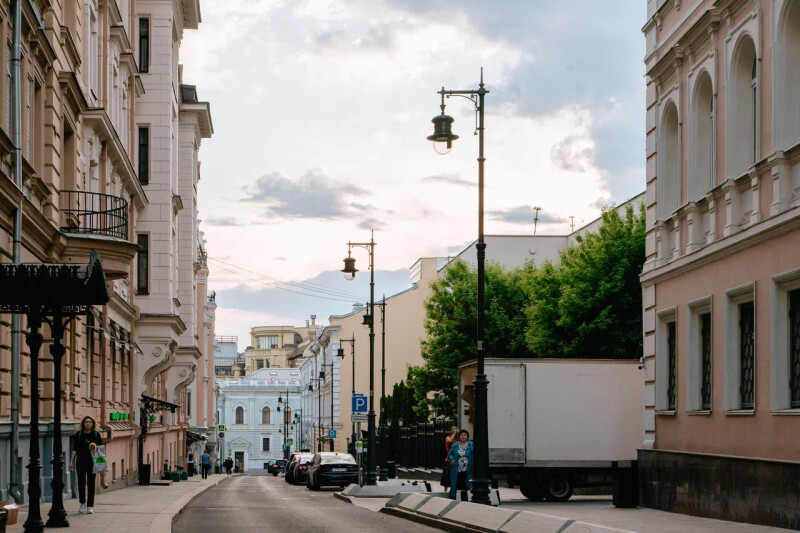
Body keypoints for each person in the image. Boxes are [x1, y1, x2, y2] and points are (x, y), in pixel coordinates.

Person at [69, 416, 104, 514]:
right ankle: (82, 503)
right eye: (86, 422)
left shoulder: (96, 435)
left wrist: (101, 466)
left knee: (91, 484)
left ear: (93, 424)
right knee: (81, 483)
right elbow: (74, 448)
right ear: (83, 423)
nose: (87, 423)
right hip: (80, 462)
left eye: (89, 422)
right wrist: (71, 461)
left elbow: (100, 450)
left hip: (92, 463)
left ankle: (90, 506)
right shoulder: (79, 434)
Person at [447, 429, 474, 499]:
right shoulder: (455, 445)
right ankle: (455, 496)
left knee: (467, 482)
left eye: (465, 435)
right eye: (461, 435)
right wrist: (452, 459)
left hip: (468, 468)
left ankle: (467, 497)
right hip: (457, 468)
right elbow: (450, 454)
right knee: (456, 482)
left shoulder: (471, 445)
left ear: (467, 437)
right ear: (459, 436)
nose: (463, 436)